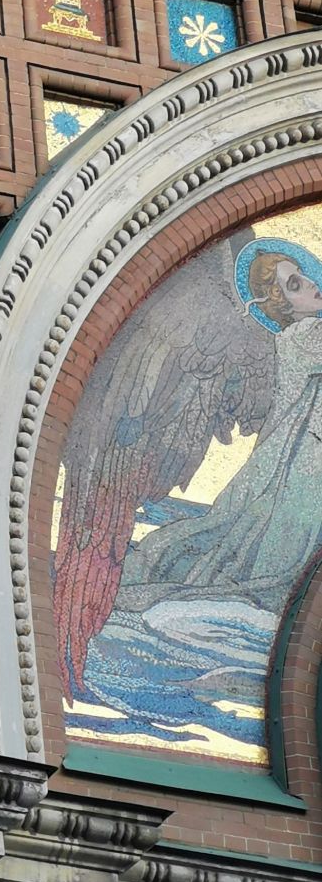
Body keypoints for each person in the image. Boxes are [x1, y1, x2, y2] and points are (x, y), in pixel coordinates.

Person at [113, 246, 322, 621]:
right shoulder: (302, 336)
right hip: (300, 466)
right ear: (281, 304)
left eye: (303, 276)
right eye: (295, 284)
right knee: (282, 553)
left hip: (304, 460)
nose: (310, 283)